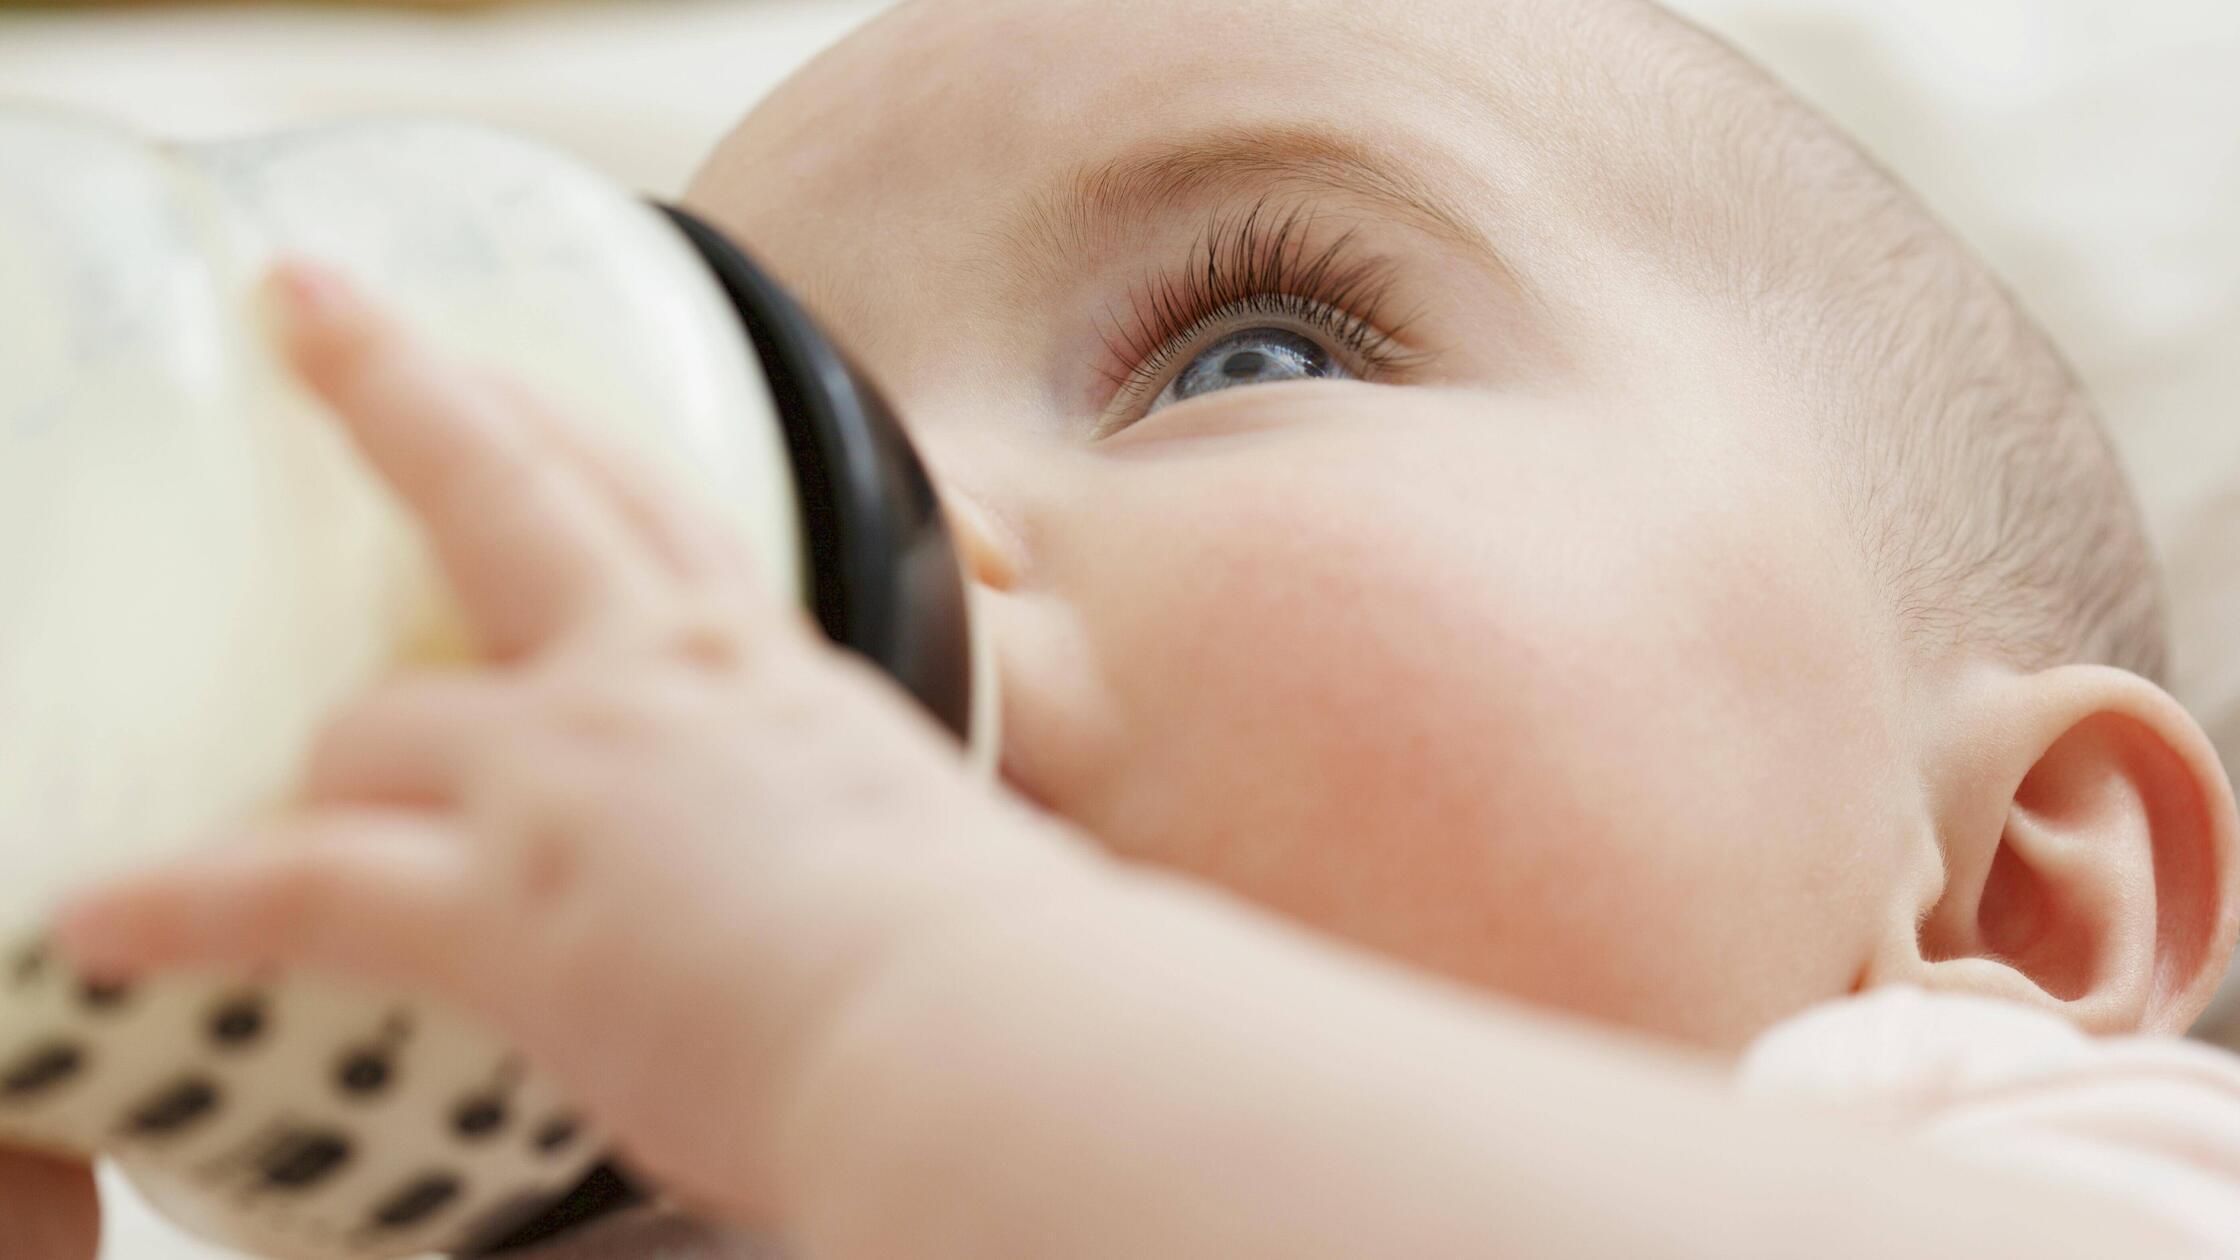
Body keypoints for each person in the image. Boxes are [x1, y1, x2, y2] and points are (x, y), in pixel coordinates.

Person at [22, 0, 2240, 1255]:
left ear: (2021, 890)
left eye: (1247, 357)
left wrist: (866, 990)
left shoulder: (1995, 1166)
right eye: (758, 421)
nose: (860, 552)